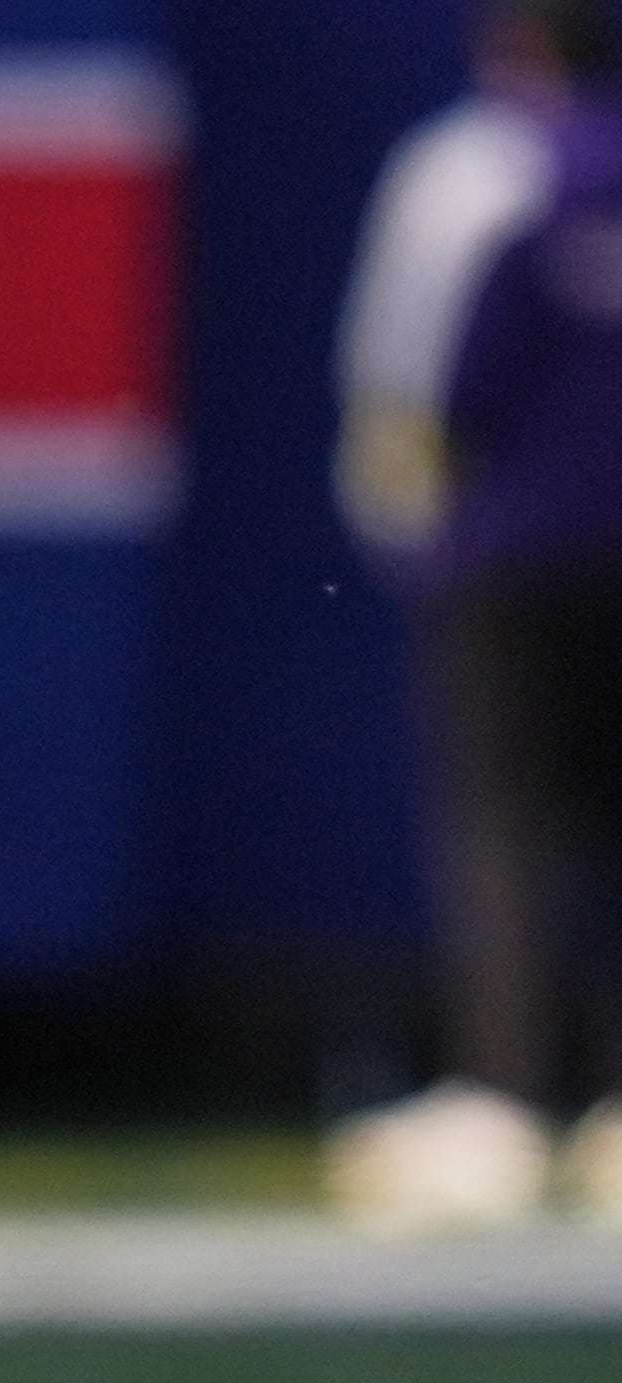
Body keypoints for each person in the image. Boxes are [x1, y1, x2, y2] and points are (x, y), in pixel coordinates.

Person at [323, 0, 611, 1232]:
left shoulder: (472, 170)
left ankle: (508, 1098)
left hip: (511, 555)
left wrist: (410, 536)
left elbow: (404, 383)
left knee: (503, 820)